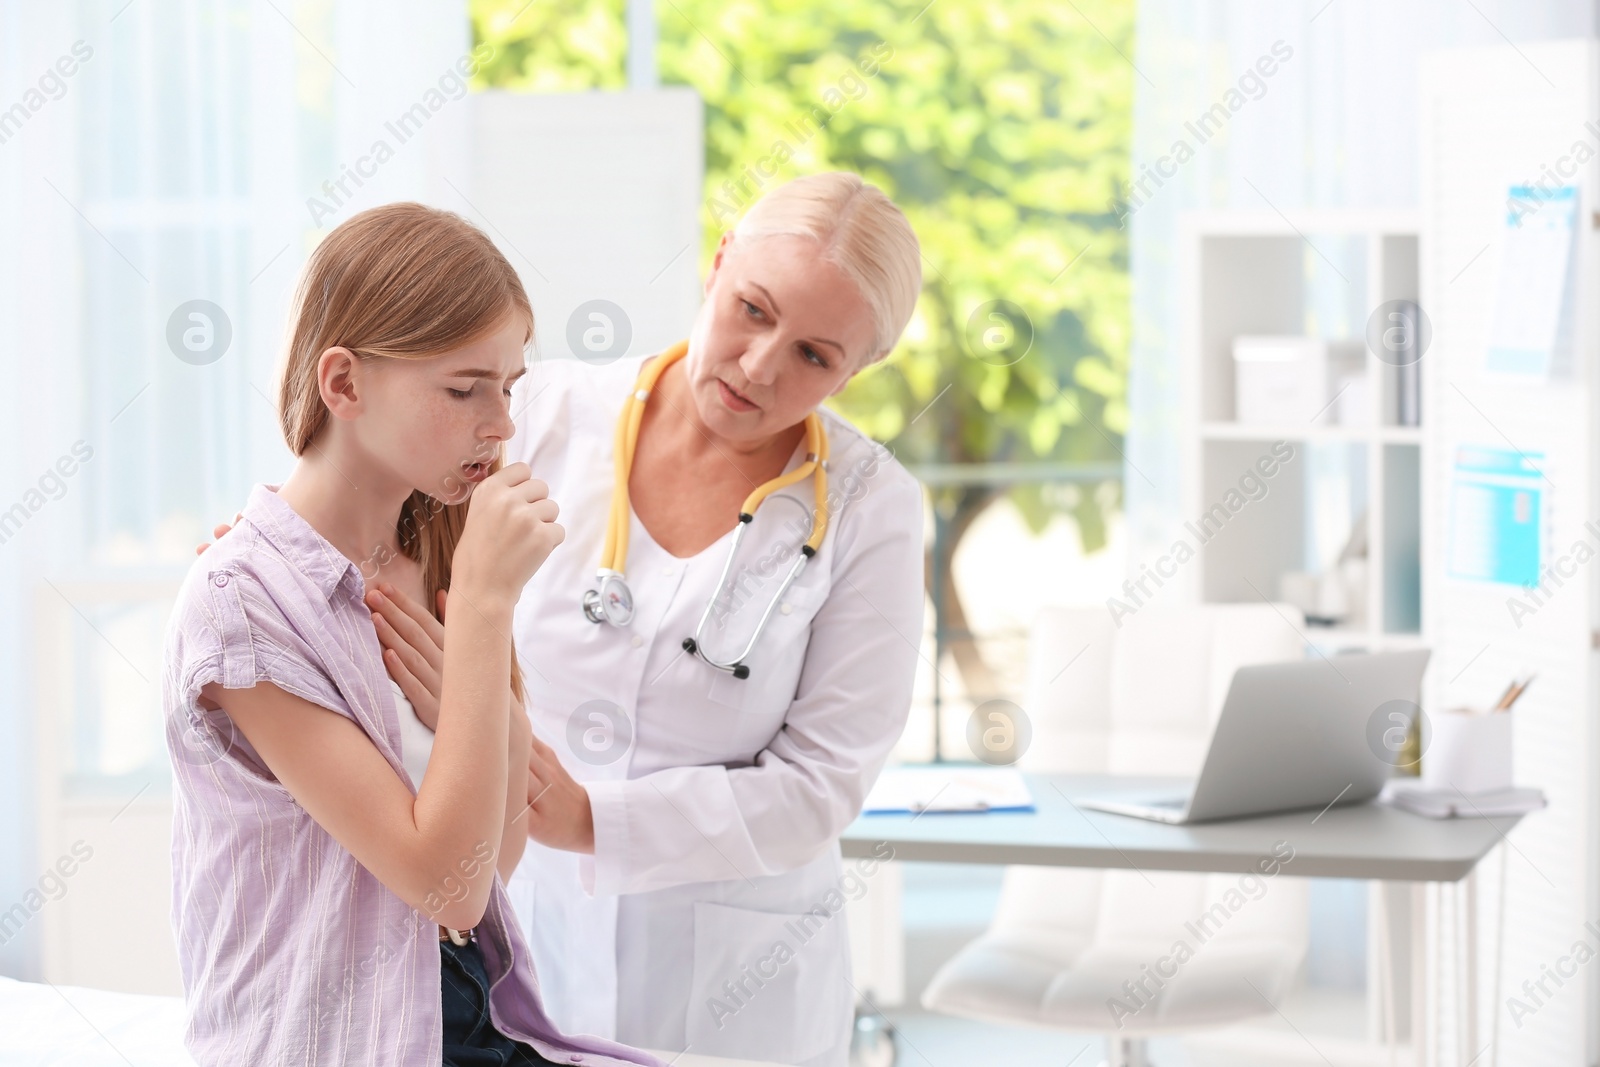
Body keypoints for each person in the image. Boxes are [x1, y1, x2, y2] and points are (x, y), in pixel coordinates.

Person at [367, 172, 927, 1067]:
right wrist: (276, 547)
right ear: (717, 266)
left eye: (815, 356)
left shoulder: (872, 509)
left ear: (858, 369)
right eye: (752, 309)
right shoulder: (538, 414)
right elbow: (372, 532)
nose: (759, 365)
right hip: (524, 917)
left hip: (736, 976)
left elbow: (820, 783)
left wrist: (594, 819)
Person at [167, 203, 663, 1067]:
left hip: (463, 1016)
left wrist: (494, 688)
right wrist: (480, 609)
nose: (502, 423)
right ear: (345, 383)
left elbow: (493, 862)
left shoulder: (434, 552)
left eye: (508, 388)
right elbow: (450, 888)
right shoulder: (240, 607)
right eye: (465, 387)